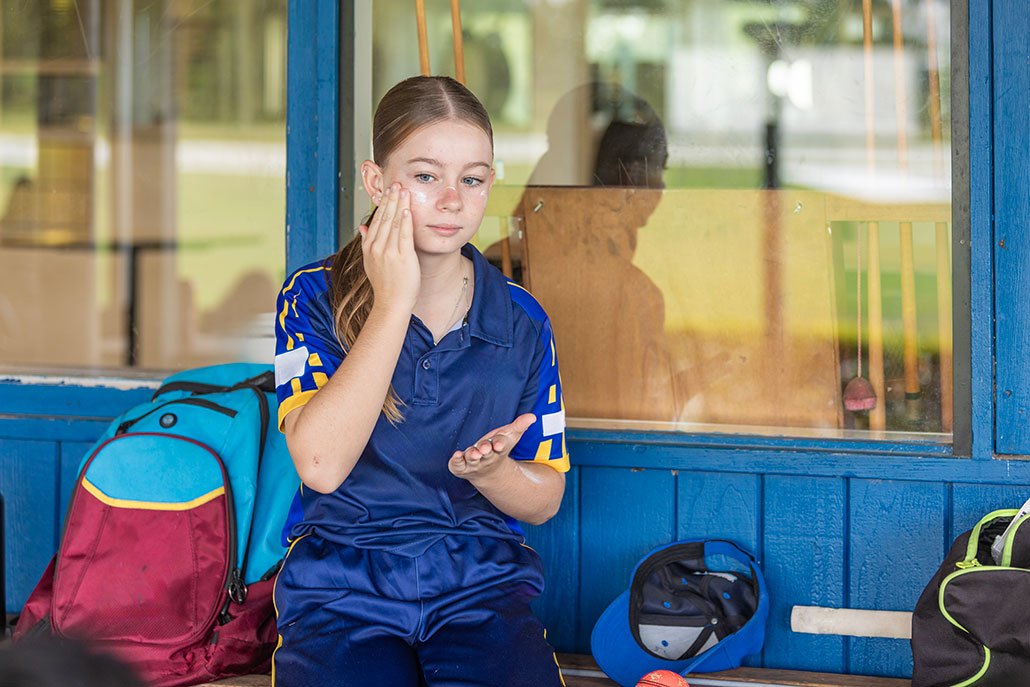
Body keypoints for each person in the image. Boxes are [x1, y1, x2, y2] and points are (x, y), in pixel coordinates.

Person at [271, 75, 568, 687]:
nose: (454, 201)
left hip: (479, 587)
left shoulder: (521, 319)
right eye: (426, 176)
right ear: (377, 182)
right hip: (342, 588)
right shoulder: (312, 296)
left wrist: (496, 474)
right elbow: (320, 465)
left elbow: (545, 499)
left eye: (474, 178)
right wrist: (391, 304)